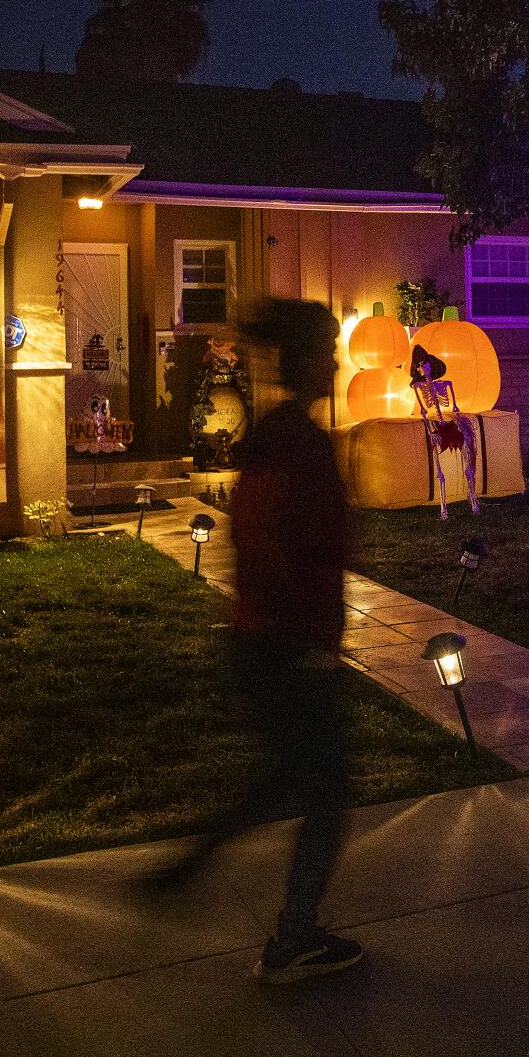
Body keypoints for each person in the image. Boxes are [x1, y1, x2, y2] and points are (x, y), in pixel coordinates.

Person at [145, 297, 362, 985]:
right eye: (324, 352)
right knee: (325, 789)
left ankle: (194, 862)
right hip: (284, 648)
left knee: (290, 780)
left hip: (276, 643)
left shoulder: (290, 435)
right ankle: (291, 934)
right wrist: (309, 640)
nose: (332, 363)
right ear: (299, 361)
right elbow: (264, 542)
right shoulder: (290, 439)